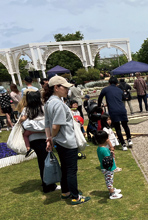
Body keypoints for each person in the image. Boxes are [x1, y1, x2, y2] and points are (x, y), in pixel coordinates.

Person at [44, 76, 91, 205]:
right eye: (64, 87)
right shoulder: (58, 104)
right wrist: (51, 137)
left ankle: (65, 192)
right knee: (71, 170)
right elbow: (55, 126)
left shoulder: (49, 102)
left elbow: (47, 124)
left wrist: (50, 138)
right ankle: (75, 196)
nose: (67, 90)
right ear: (56, 87)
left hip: (60, 141)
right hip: (67, 140)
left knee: (65, 168)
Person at [19, 89, 59, 193]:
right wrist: (42, 127)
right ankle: (48, 185)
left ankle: (47, 182)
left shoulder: (27, 110)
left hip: (34, 140)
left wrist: (32, 129)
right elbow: (47, 125)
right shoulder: (43, 108)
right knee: (45, 162)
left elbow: (27, 126)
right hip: (44, 139)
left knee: (43, 162)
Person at [98, 76, 132, 151]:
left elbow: (100, 98)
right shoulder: (119, 90)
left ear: (109, 83)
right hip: (122, 109)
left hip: (113, 111)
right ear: (117, 83)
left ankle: (123, 144)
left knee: (117, 128)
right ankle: (129, 140)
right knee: (125, 125)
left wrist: (99, 106)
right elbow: (123, 98)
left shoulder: (105, 89)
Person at [95, 130, 123, 200]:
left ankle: (112, 189)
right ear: (105, 139)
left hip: (106, 168)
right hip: (108, 168)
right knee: (109, 180)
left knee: (110, 179)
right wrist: (112, 152)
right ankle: (112, 194)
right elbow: (109, 159)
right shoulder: (104, 150)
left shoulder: (100, 148)